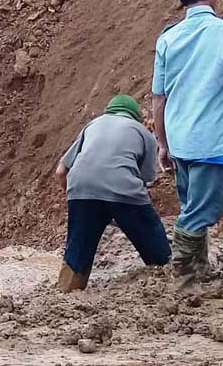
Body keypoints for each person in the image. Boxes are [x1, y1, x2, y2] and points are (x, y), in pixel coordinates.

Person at [152, 0, 223, 288]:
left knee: (191, 206)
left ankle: (198, 269)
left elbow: (159, 98)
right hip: (211, 143)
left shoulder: (168, 39)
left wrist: (162, 143)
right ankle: (184, 279)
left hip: (180, 141)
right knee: (202, 211)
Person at [55, 95, 171, 292]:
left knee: (78, 248)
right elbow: (145, 179)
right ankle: (168, 276)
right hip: (123, 189)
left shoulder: (92, 125)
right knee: (153, 240)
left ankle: (67, 291)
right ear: (135, 116)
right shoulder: (143, 132)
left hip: (80, 189)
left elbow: (60, 171)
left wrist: (79, 198)